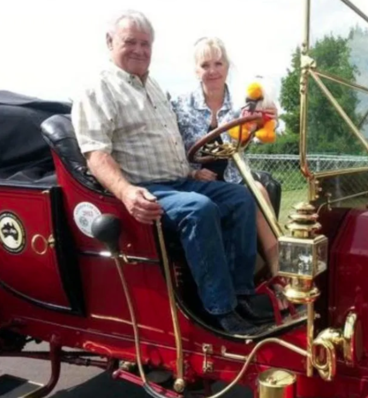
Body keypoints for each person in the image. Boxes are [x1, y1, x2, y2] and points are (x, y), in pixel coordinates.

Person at [71, 10, 273, 335]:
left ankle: (242, 293)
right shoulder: (98, 89)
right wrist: (126, 191)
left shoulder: (152, 86)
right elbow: (96, 153)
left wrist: (193, 174)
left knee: (239, 198)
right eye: (130, 42)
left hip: (182, 181)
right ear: (110, 43)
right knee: (199, 209)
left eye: (145, 43)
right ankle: (220, 311)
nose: (139, 50)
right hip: (146, 188)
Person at [170, 37, 281, 284]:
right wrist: (191, 173)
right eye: (205, 65)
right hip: (196, 179)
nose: (212, 71)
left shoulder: (243, 103)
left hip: (233, 175)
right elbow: (171, 146)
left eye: (218, 63)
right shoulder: (179, 105)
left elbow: (263, 136)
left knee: (259, 192)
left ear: (227, 67)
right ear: (196, 70)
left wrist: (269, 119)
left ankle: (279, 273)